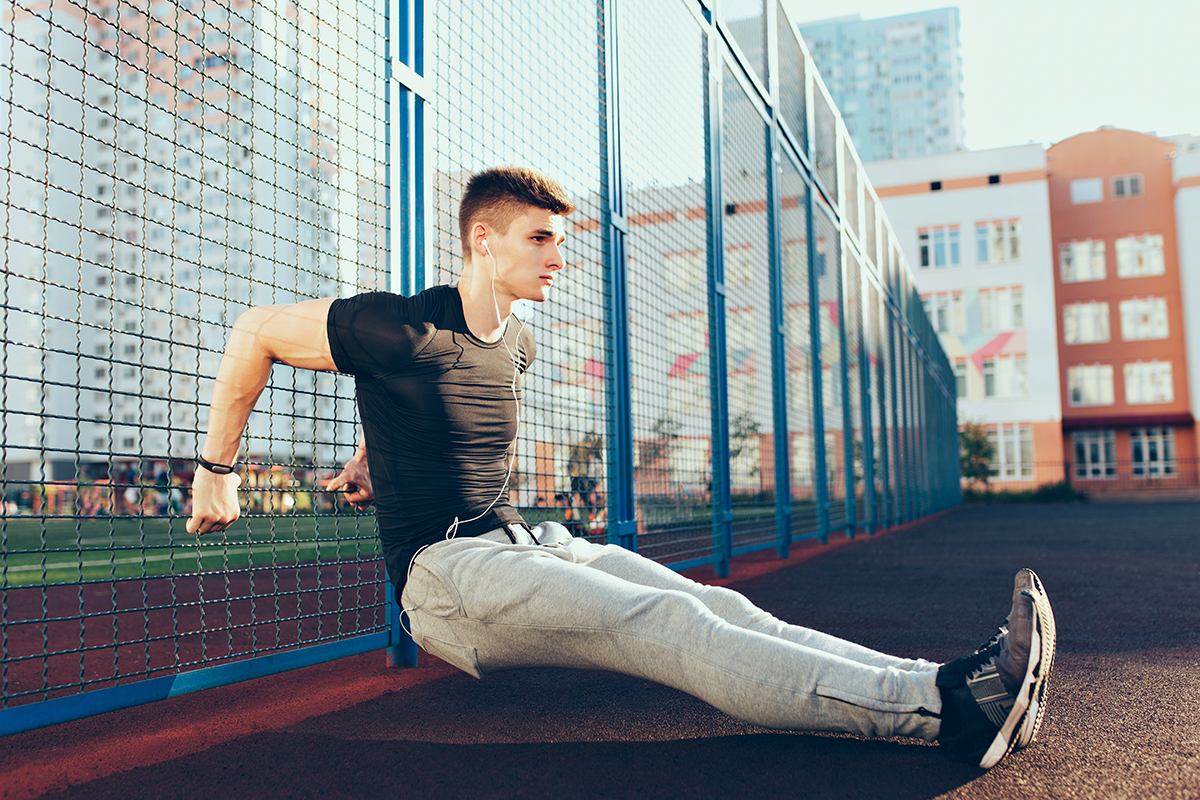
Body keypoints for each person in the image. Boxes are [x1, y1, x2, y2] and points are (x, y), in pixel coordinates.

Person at [187, 166, 1055, 770]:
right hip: (448, 578)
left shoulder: (514, 342)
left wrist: (376, 451)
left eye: (559, 241)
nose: (558, 257)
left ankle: (942, 683)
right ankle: (950, 710)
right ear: (482, 241)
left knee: (715, 603)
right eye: (540, 239)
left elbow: (425, 401)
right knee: (668, 627)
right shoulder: (401, 324)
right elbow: (256, 331)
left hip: (527, 542)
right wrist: (216, 468)